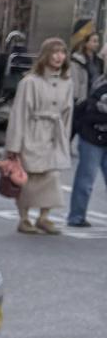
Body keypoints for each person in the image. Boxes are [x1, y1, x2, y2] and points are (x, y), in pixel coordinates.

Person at [5, 35, 75, 234]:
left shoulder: (67, 82)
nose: (59, 57)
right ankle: (24, 218)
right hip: (32, 133)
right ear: (45, 55)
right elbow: (19, 114)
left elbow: (68, 112)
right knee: (27, 178)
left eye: (62, 52)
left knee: (52, 177)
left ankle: (44, 217)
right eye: (54, 52)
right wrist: (14, 145)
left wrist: (65, 138)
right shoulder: (30, 82)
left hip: (54, 134)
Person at [66, 25, 107, 227]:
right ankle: (76, 216)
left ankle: (76, 215)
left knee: (86, 177)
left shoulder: (96, 67)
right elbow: (87, 103)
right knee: (86, 178)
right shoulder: (98, 79)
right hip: (91, 133)